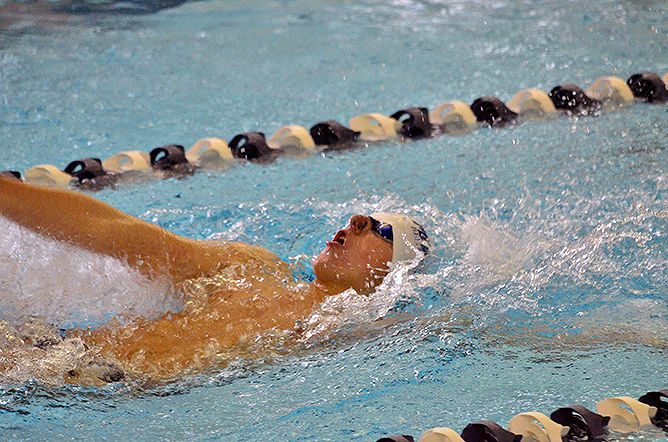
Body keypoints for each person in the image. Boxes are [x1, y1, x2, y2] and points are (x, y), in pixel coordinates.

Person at [0, 176, 431, 381]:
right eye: (358, 219)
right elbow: (130, 239)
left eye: (377, 228)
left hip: (95, 384)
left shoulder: (359, 329)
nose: (352, 222)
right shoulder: (253, 268)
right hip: (51, 353)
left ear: (396, 270)